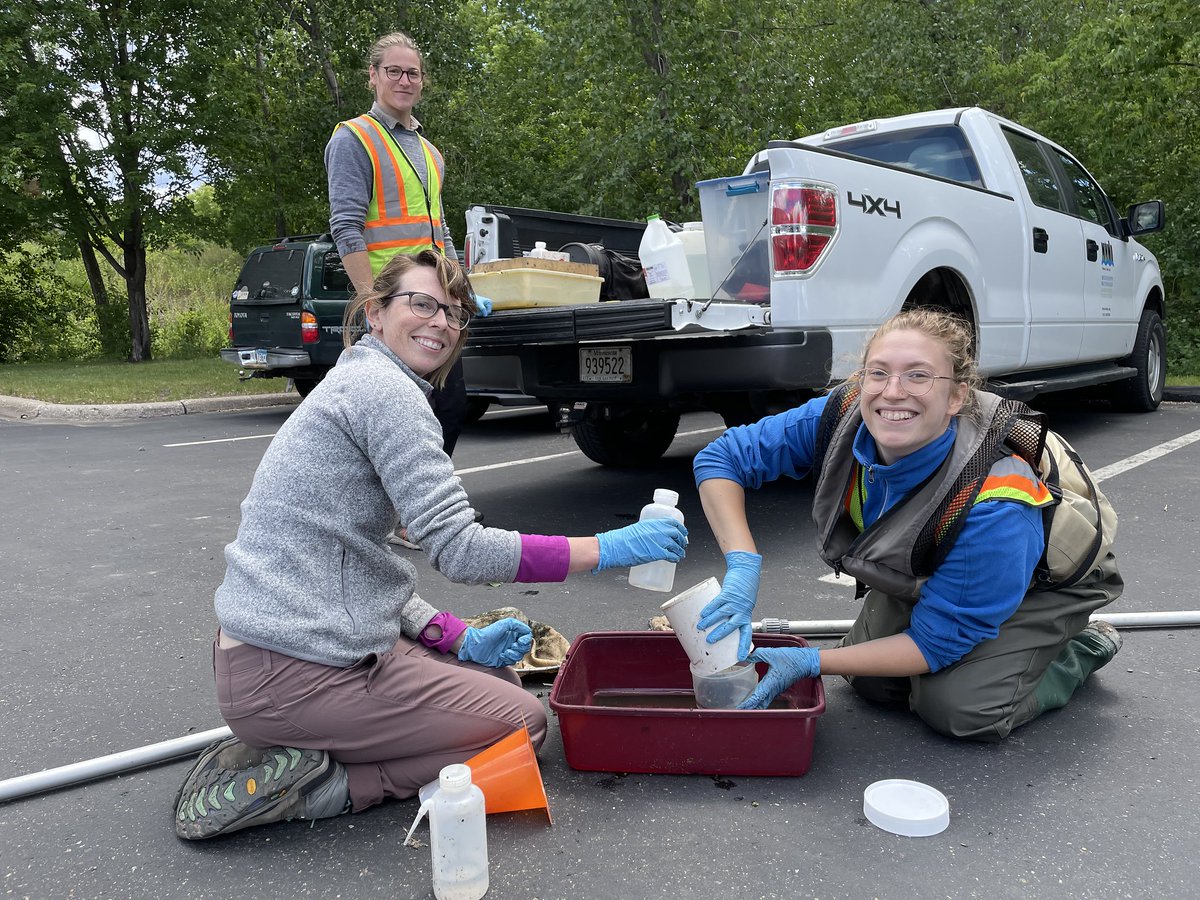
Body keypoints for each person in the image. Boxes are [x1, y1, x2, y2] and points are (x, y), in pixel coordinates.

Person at [174, 250, 687, 839]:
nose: (440, 322)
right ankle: (325, 785)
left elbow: (364, 560)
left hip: (278, 657)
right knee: (521, 724)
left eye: (453, 312)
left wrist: (456, 635)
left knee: (501, 684)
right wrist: (609, 548)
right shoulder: (385, 392)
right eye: (422, 304)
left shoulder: (358, 380)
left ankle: (300, 751)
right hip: (295, 674)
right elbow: (460, 548)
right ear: (375, 314)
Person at [692, 309, 1123, 741]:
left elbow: (936, 644)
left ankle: (1081, 646)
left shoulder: (995, 501)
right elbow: (720, 459)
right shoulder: (843, 413)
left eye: (918, 376)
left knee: (960, 709)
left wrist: (814, 662)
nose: (893, 392)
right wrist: (743, 565)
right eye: (878, 373)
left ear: (956, 397)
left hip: (1043, 583)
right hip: (941, 571)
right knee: (872, 683)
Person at [324, 30, 475, 547]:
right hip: (394, 307)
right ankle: (390, 518)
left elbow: (441, 230)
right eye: (394, 71)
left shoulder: (429, 152)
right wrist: (375, 304)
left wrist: (461, 289)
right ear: (373, 76)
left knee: (448, 404)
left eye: (412, 72)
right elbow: (346, 227)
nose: (404, 80)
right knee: (394, 414)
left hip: (433, 303)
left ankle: (406, 516)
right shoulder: (354, 138)